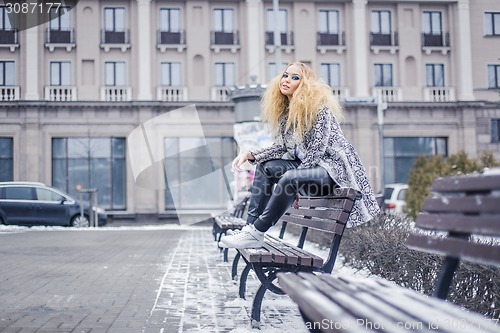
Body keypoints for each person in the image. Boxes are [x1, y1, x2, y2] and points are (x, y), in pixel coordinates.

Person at [220, 62, 381, 249]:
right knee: (265, 166)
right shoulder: (286, 114)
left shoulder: (320, 110)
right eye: (286, 75)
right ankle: (250, 230)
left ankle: (257, 231)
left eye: (295, 78)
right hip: (310, 172)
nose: (287, 80)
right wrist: (250, 154)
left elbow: (316, 151)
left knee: (289, 178)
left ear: (305, 85)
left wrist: (297, 181)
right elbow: (281, 147)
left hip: (332, 171)